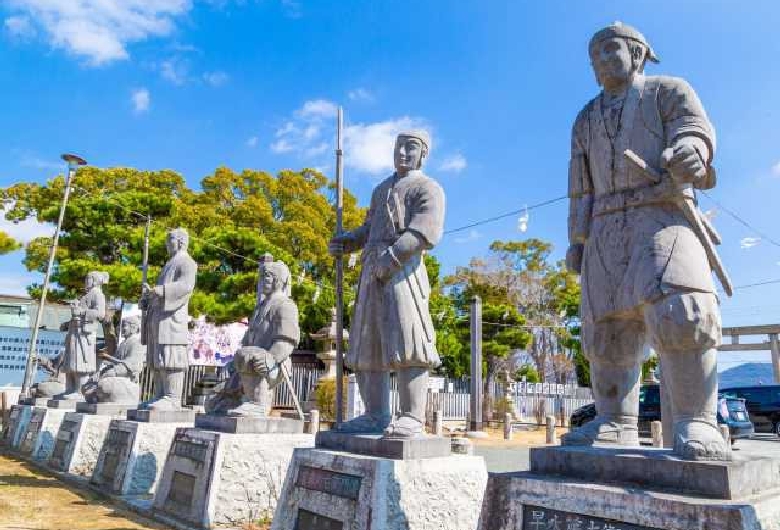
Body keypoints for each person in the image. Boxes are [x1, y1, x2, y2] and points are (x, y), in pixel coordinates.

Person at [563, 22, 728, 460]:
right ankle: (614, 420)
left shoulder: (668, 91)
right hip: (604, 226)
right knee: (606, 327)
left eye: (609, 49)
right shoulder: (584, 118)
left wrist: (693, 150)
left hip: (662, 211)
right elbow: (580, 186)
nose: (600, 60)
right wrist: (578, 239)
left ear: (637, 53)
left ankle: (696, 420)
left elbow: (695, 130)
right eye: (593, 55)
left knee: (682, 310)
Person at [329, 130, 445, 438]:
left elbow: (424, 231)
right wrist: (348, 241)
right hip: (371, 267)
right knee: (368, 342)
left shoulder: (428, 188)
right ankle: (374, 414)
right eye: (399, 146)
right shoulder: (381, 189)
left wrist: (392, 259)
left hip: (403, 269)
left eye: (411, 147)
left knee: (409, 337)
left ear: (423, 154)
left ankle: (411, 415)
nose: (404, 152)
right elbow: (370, 227)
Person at [140, 228, 197, 410]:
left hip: (173, 317)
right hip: (158, 316)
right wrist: (148, 298)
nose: (167, 243)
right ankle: (159, 394)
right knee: (157, 356)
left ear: (181, 241)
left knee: (170, 355)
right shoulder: (169, 264)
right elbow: (158, 291)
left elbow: (186, 286)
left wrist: (162, 290)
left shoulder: (187, 262)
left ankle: (172, 397)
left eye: (170, 239)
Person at [56, 271, 108, 401]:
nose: (86, 281)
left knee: (80, 362)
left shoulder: (98, 294)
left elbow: (100, 313)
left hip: (85, 334)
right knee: (70, 362)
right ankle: (69, 389)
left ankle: (79, 391)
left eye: (88, 279)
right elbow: (78, 314)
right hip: (74, 332)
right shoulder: (86, 295)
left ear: (95, 280)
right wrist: (68, 323)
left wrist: (82, 311)